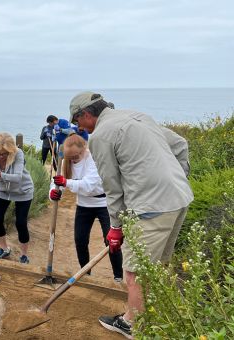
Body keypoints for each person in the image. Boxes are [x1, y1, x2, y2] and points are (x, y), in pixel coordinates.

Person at [69, 92, 193, 339]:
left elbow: (111, 186)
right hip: (179, 199)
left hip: (150, 207)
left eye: (77, 121)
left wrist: (115, 226)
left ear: (86, 114)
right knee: (154, 265)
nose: (78, 128)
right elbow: (180, 144)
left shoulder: (101, 136)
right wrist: (176, 179)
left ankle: (132, 324)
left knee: (134, 271)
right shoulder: (138, 116)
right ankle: (152, 313)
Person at [48, 133, 123, 282]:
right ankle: (86, 273)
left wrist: (66, 183)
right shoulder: (65, 162)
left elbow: (89, 185)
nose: (74, 160)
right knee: (80, 240)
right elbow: (56, 182)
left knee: (111, 242)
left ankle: (118, 277)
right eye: (71, 158)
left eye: (76, 156)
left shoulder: (93, 158)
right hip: (83, 205)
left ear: (83, 150)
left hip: (104, 204)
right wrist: (53, 193)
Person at [0, 132, 34, 264]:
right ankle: (4, 249)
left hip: (23, 191)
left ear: (10, 150)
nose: (1, 156)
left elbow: (17, 178)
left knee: (20, 223)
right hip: (3, 191)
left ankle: (24, 256)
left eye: (4, 153)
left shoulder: (18, 154)